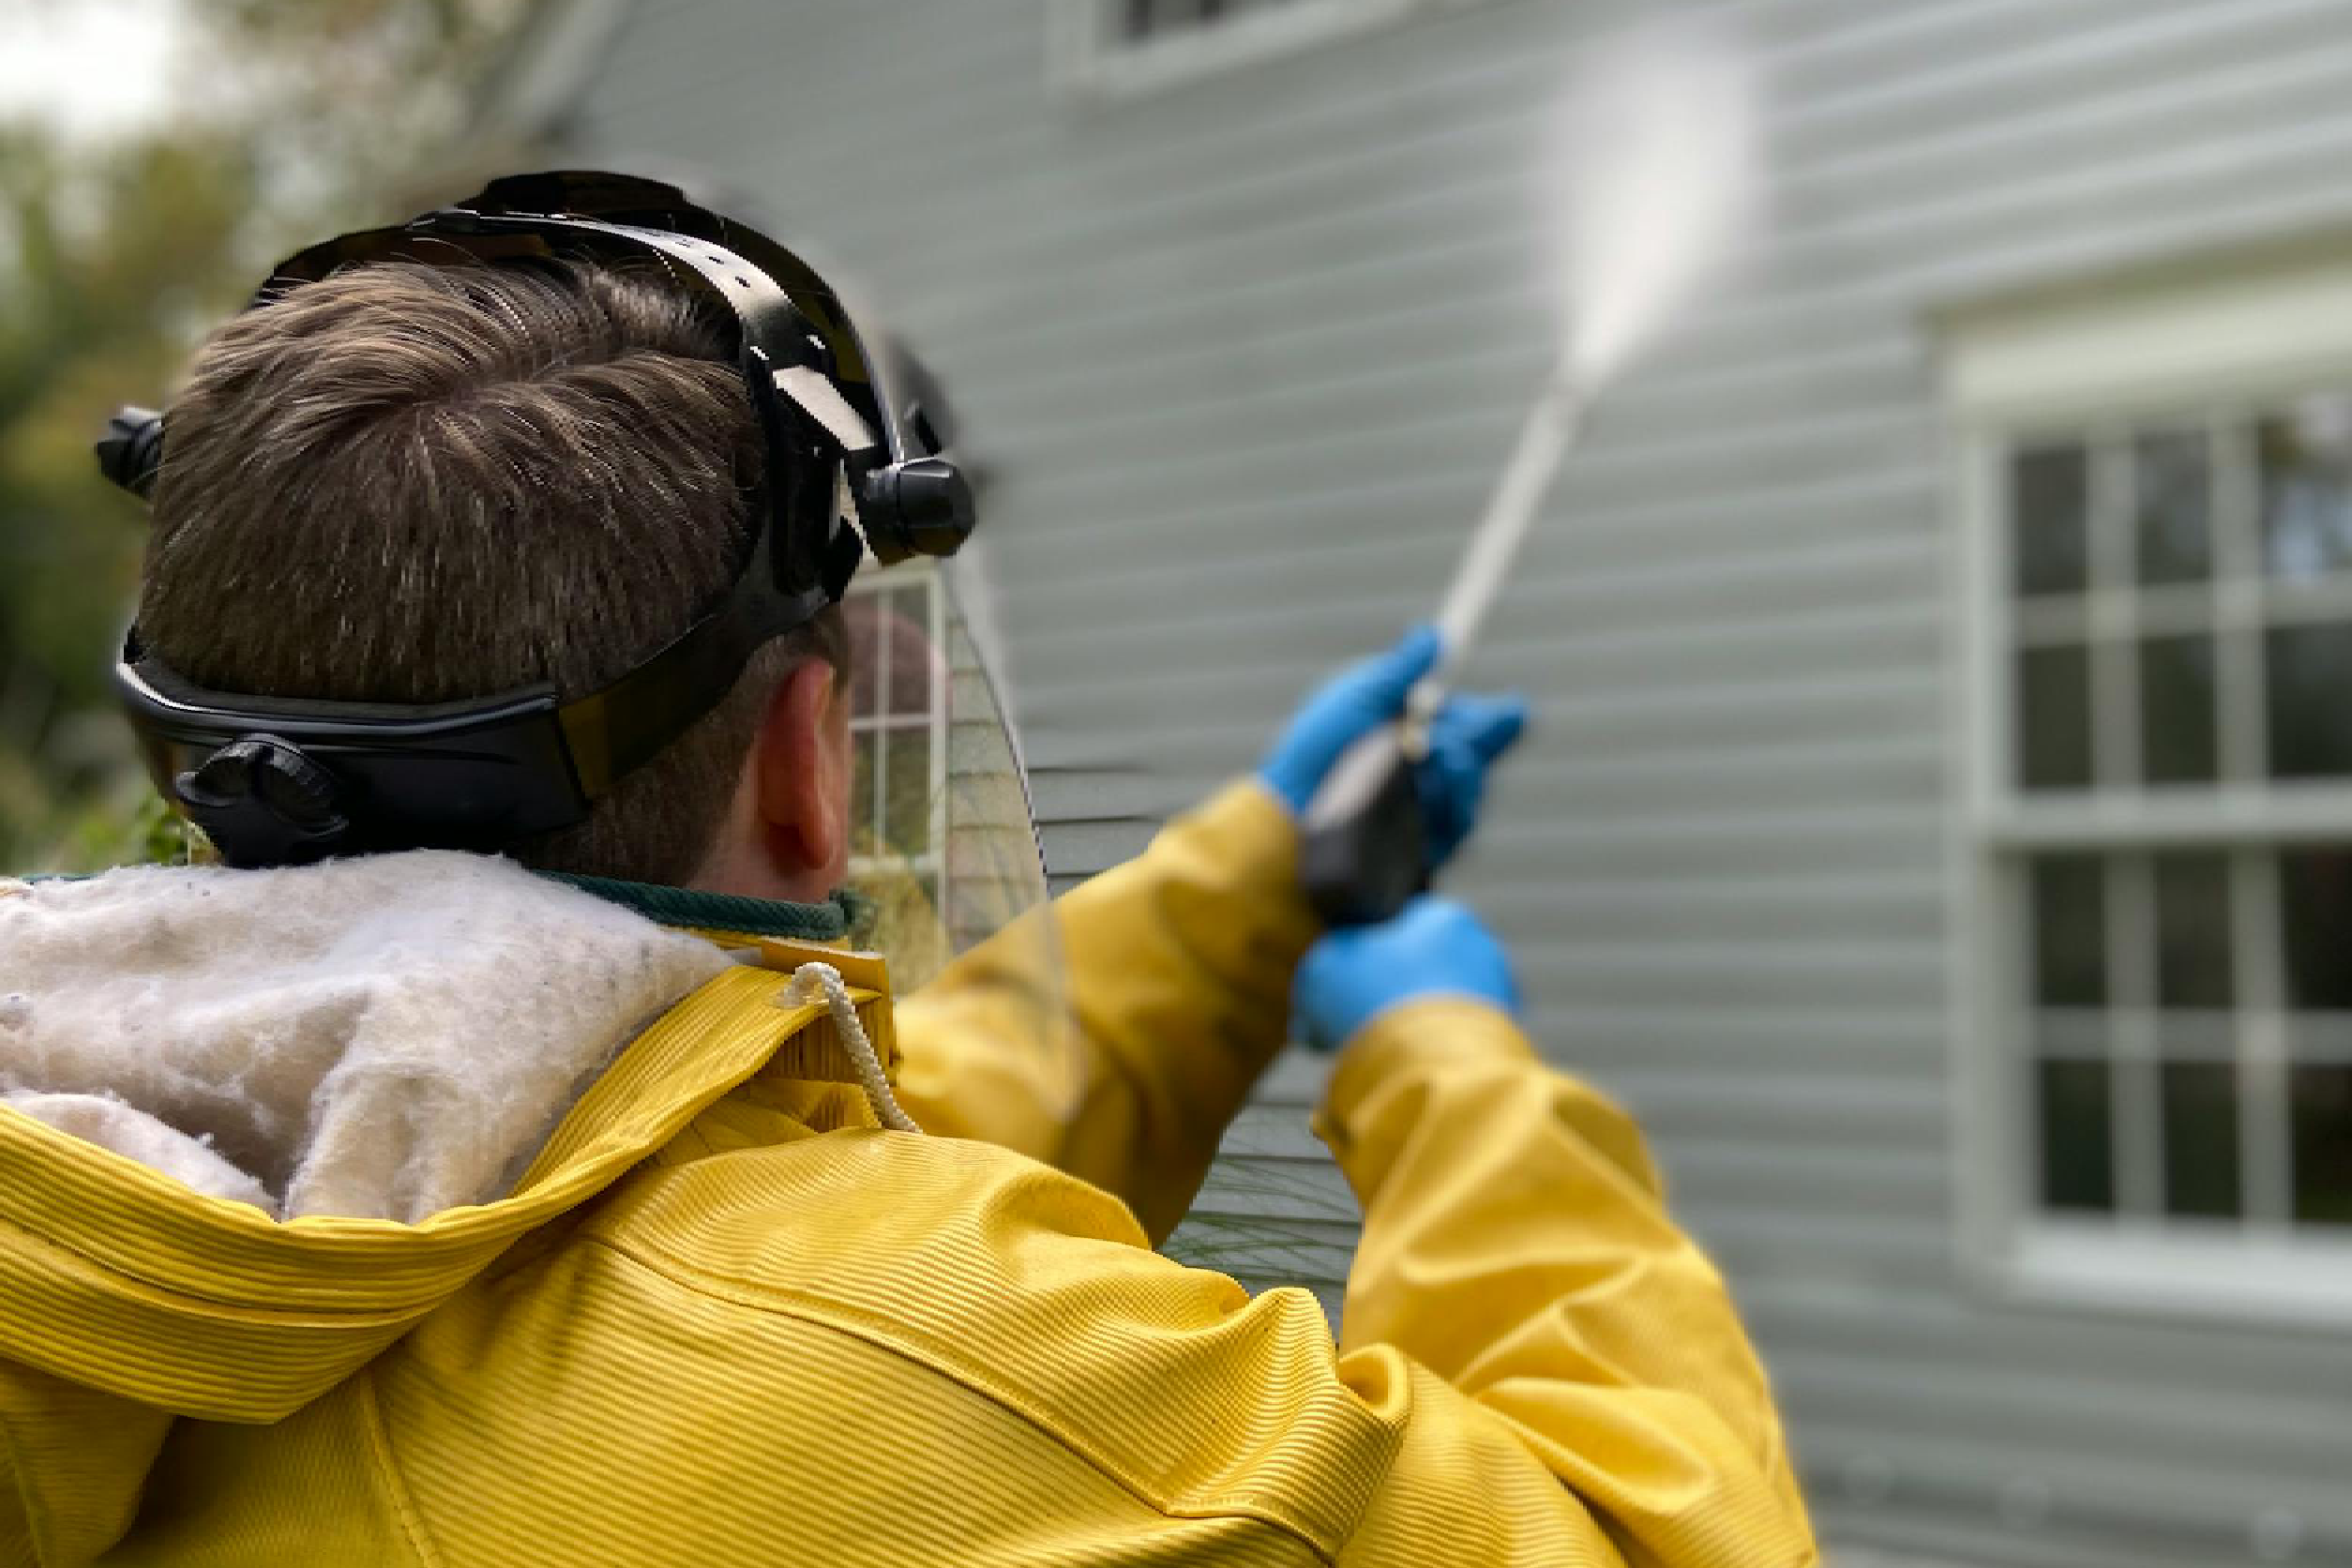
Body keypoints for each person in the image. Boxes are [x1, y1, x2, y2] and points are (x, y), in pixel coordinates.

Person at [0, 180, 1817, 1566]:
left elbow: (774, 1185)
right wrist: (1450, 1067)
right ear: (811, 759)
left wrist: (1257, 882)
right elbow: (1644, 1530)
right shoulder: (890, 1383)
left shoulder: (157, 1177)